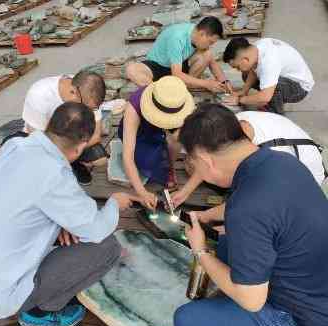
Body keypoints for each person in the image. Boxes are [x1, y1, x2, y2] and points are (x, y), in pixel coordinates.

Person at [174, 103, 328, 326]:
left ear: (206, 160)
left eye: (193, 162)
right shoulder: (282, 161)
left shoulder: (247, 208)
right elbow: (264, 208)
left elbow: (251, 300)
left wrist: (200, 251)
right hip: (317, 287)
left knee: (188, 323)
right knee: (227, 242)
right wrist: (210, 215)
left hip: (308, 324)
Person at [0, 102, 140, 326]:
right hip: (2, 297)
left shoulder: (16, 145)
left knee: (69, 230)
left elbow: (29, 195)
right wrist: (115, 203)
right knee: (107, 248)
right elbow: (96, 230)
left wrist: (60, 222)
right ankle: (44, 310)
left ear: (48, 125)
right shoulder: (54, 174)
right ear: (81, 146)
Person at [171, 110, 326, 208]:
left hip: (306, 180)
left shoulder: (268, 168)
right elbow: (206, 163)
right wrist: (186, 191)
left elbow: (252, 204)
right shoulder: (230, 126)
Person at [119, 76, 195, 209]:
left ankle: (170, 167)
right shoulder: (135, 105)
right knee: (148, 163)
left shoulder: (178, 101)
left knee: (178, 138)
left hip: (163, 127)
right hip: (140, 133)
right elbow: (128, 156)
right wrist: (142, 192)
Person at [22, 71, 107, 185]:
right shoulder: (39, 94)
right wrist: (69, 152)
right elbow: (37, 139)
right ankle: (70, 165)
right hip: (47, 142)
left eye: (93, 109)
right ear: (73, 92)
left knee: (100, 160)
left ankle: (72, 162)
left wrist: (72, 150)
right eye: (87, 107)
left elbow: (96, 135)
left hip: (74, 142)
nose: (89, 112)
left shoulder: (89, 93)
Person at [126, 17, 232, 94]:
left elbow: (212, 63)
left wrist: (224, 81)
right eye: (210, 42)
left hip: (179, 66)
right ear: (202, 34)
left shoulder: (197, 34)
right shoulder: (177, 37)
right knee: (132, 69)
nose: (210, 45)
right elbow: (176, 74)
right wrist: (207, 83)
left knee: (207, 54)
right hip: (158, 66)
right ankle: (159, 94)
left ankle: (181, 88)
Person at [222, 37, 314, 115]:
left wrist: (239, 100)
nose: (238, 70)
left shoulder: (269, 61)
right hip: (287, 77)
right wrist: (243, 91)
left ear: (246, 59)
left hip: (300, 88)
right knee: (246, 74)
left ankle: (276, 115)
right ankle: (272, 99)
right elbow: (253, 71)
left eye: (237, 67)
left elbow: (265, 97)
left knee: (273, 90)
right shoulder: (256, 48)